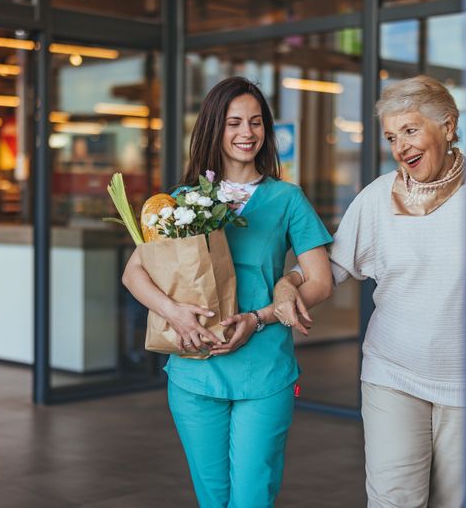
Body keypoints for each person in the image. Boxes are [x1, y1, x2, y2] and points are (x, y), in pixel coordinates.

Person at [121, 76, 333, 507]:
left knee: (253, 495)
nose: (247, 133)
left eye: (256, 123)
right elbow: (134, 273)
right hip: (194, 368)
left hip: (265, 368)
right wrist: (175, 312)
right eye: (234, 122)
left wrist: (260, 318)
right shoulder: (183, 200)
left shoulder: (287, 198)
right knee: (212, 497)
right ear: (215, 128)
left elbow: (321, 281)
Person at [273, 75, 466, 508]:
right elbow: (331, 269)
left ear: (448, 126)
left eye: (411, 130)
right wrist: (288, 283)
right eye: (392, 137)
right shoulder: (378, 198)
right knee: (394, 500)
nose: (401, 147)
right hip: (392, 374)